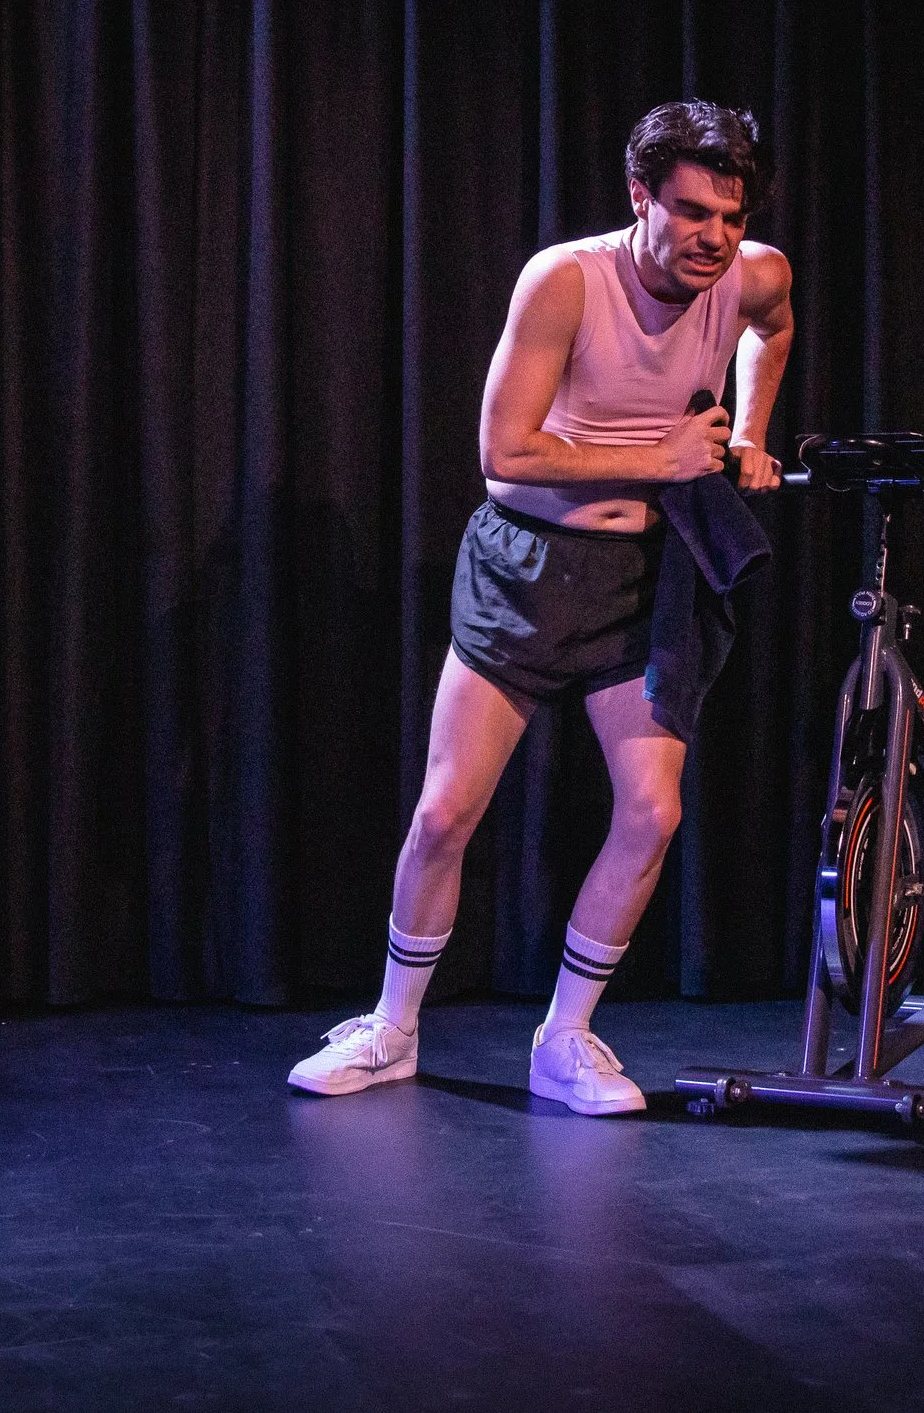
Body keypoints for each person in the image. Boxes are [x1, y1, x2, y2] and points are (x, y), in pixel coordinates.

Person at [289, 101, 795, 1114]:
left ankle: (564, 1036)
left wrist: (747, 430)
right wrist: (658, 455)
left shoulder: (755, 275)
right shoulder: (566, 279)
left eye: (731, 217)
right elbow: (504, 450)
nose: (714, 237)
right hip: (525, 565)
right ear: (641, 196)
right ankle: (392, 1027)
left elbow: (772, 328)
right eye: (692, 212)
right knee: (445, 810)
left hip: (644, 577)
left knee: (652, 812)